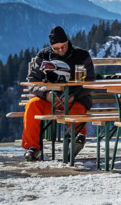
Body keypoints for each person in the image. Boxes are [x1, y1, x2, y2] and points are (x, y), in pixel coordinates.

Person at [22, 26, 95, 162]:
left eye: (63, 46)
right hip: (50, 100)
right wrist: (46, 94)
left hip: (74, 100)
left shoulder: (82, 55)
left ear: (67, 41)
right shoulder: (43, 56)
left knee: (79, 110)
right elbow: (33, 82)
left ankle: (77, 140)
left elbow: (90, 82)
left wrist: (75, 95)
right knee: (32, 106)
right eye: (56, 48)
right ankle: (32, 148)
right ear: (51, 47)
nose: (61, 50)